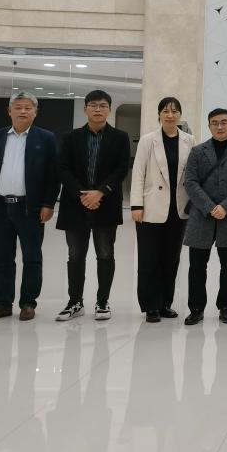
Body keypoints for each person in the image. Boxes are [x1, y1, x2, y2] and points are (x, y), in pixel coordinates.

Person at [0, 92, 60, 322]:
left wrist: (48, 204)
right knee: (1, 259)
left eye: (28, 107)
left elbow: (53, 175)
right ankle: (2, 304)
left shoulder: (46, 138)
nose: (23, 111)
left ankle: (28, 303)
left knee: (32, 258)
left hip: (29, 208)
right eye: (18, 107)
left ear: (35, 112)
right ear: (9, 111)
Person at [55, 89, 131, 322]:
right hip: (75, 204)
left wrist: (100, 192)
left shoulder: (120, 137)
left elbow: (121, 169)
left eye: (103, 105)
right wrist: (83, 194)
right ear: (85, 108)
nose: (98, 109)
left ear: (109, 109)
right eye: (93, 105)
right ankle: (75, 302)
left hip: (106, 204)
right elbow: (63, 168)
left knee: (105, 254)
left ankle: (102, 301)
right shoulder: (70, 137)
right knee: (75, 256)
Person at [182, 108, 227, 325]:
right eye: (215, 123)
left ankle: (225, 307)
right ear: (209, 126)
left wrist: (225, 207)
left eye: (224, 122)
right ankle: (196, 308)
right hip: (201, 215)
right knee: (197, 266)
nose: (220, 126)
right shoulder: (197, 151)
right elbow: (190, 182)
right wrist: (210, 206)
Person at [130, 96, 196, 323]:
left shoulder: (189, 140)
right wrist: (136, 205)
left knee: (171, 259)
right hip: (151, 207)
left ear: (180, 115)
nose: (170, 115)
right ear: (159, 114)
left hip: (179, 209)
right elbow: (138, 173)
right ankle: (151, 305)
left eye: (174, 111)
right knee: (149, 259)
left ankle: (165, 303)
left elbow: (193, 174)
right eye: (165, 111)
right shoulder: (148, 140)